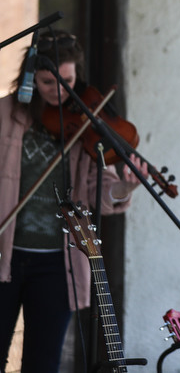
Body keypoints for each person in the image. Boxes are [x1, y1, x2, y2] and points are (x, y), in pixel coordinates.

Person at [0, 29, 148, 371]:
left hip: (57, 262)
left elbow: (100, 187)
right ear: (31, 78)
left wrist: (126, 187)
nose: (58, 92)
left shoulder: (86, 120)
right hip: (5, 255)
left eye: (66, 81)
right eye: (47, 83)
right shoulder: (6, 113)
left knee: (42, 363)